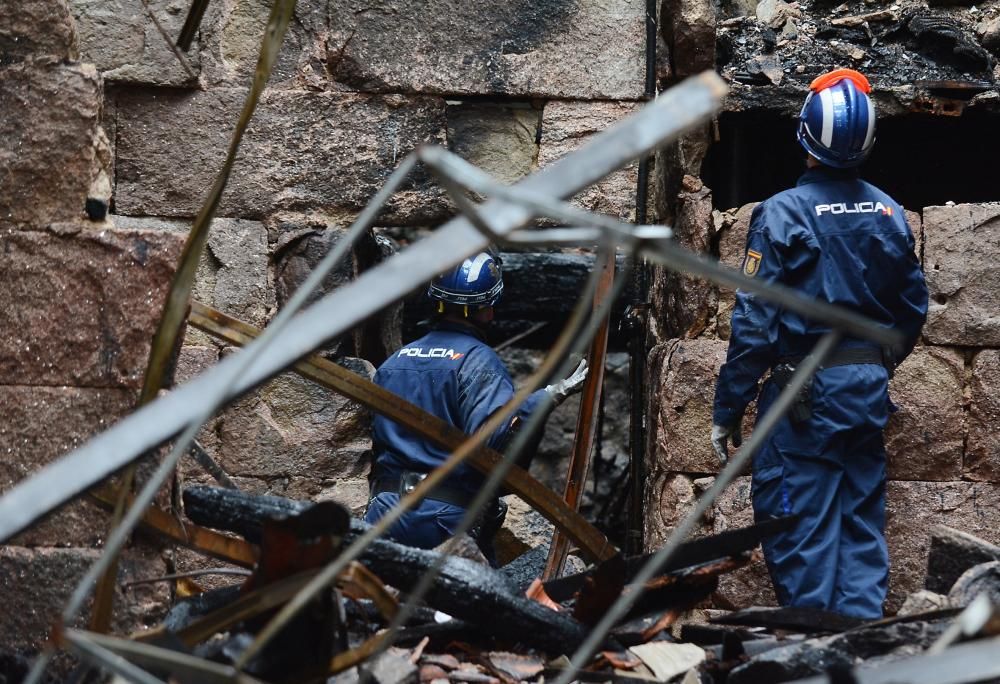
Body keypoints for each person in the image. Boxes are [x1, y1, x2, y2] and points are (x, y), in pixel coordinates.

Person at [710, 69, 928, 619]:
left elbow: (755, 324)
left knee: (799, 521)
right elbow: (910, 309)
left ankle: (811, 657)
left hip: (804, 395)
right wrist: (871, 365)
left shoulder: (782, 213)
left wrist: (728, 406)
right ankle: (858, 649)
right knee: (859, 519)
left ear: (804, 135)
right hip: (866, 389)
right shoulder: (887, 212)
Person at [364, 251, 588, 563]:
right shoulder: (477, 361)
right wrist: (545, 398)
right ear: (488, 310)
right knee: (471, 604)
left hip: (384, 512)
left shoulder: (394, 362)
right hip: (443, 518)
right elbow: (491, 442)